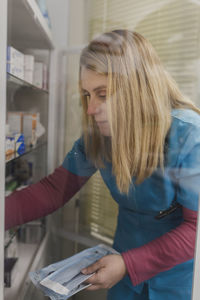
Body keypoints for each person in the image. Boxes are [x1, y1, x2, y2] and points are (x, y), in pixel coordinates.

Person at [5, 29, 200, 300]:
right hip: (121, 267)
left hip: (175, 279)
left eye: (103, 94)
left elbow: (196, 228)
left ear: (138, 89)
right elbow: (54, 189)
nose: (90, 109)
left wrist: (128, 264)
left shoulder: (190, 136)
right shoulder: (99, 138)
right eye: (87, 95)